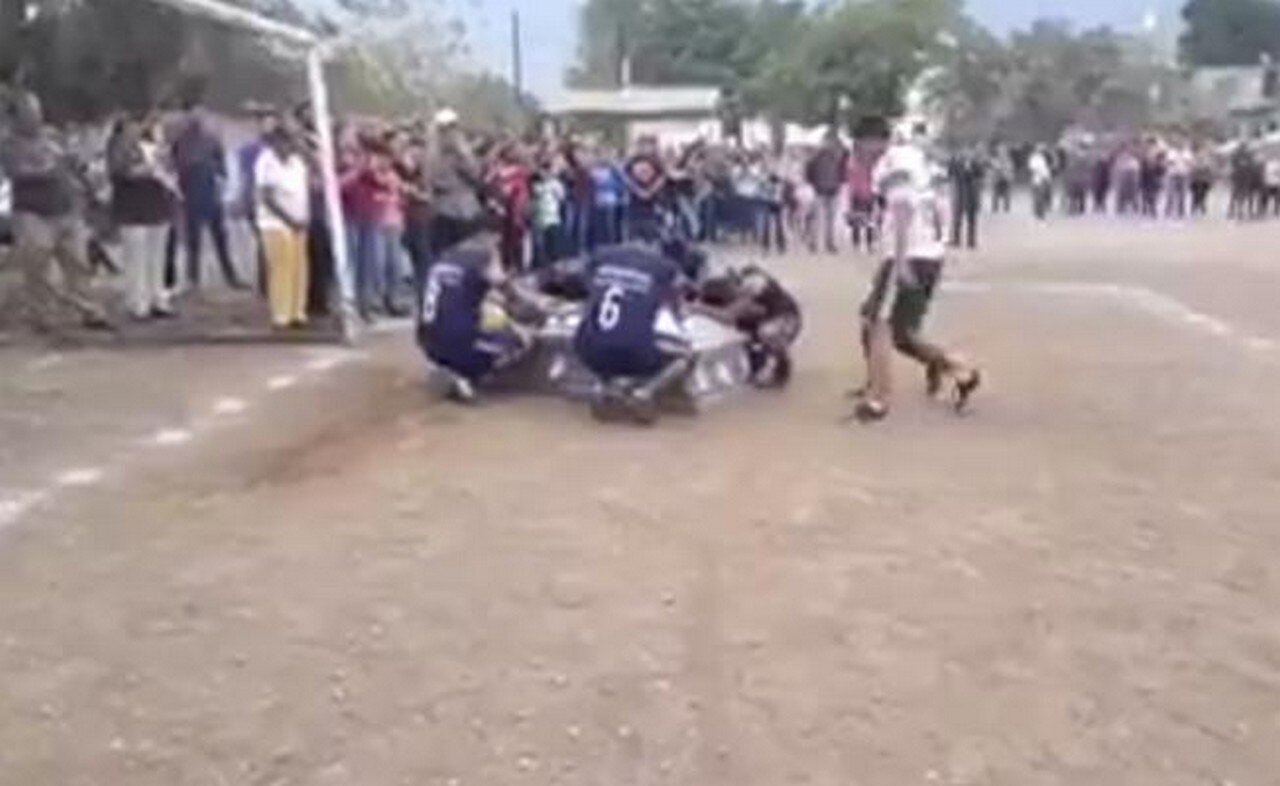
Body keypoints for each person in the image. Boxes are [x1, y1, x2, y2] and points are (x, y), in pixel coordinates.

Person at [851, 130, 981, 424]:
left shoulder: (893, 162)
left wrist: (899, 261)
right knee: (901, 334)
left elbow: (902, 209)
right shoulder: (920, 165)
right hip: (928, 255)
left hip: (910, 253)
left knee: (877, 324)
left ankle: (878, 398)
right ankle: (960, 371)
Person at [0, 91, 111, 332]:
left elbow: (73, 165)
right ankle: (43, 315)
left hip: (65, 208)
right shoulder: (9, 143)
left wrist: (87, 186)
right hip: (32, 212)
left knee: (78, 263)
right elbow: (18, 172)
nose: (36, 117)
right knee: (37, 265)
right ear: (16, 117)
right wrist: (48, 168)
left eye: (37, 111)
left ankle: (88, 310)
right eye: (29, 112)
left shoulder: (52, 137)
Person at [416, 215, 541, 403]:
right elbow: (510, 294)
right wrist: (535, 309)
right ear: (492, 237)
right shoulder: (484, 255)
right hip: (457, 341)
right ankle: (466, 375)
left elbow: (463, 292)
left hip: (426, 340)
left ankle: (445, 366)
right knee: (520, 340)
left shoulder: (444, 256)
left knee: (486, 316)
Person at [574, 235, 695, 425]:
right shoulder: (665, 267)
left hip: (590, 352)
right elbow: (678, 307)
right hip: (637, 354)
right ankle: (645, 392)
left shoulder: (601, 254)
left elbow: (584, 283)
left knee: (593, 333)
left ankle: (604, 387)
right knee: (686, 355)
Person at [107, 111, 177, 321]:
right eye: (136, 122)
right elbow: (119, 172)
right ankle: (137, 302)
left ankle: (158, 298)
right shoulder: (118, 145)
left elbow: (170, 168)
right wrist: (145, 170)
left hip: (156, 205)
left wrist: (165, 167)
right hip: (132, 208)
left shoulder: (156, 144)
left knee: (157, 256)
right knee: (136, 257)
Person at [170, 101, 245, 290]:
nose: (196, 117)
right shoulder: (180, 141)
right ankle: (192, 278)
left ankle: (231, 276)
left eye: (200, 113)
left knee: (221, 237)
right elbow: (175, 166)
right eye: (192, 114)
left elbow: (221, 166)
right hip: (191, 194)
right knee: (193, 239)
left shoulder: (211, 139)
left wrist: (221, 182)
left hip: (211, 192)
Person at [695, 265, 801, 388]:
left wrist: (697, 308)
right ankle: (760, 365)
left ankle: (778, 369)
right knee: (746, 330)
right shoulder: (750, 282)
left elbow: (727, 317)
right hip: (784, 319)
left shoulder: (749, 291)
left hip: (786, 324)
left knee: (764, 332)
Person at [254, 120, 311, 330]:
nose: (292, 145)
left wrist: (301, 218)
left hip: (299, 220)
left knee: (299, 267)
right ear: (278, 141)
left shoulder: (297, 162)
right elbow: (266, 197)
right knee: (281, 268)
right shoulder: (266, 162)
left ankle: (297, 311)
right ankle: (281, 313)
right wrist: (289, 219)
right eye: (288, 140)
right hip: (276, 223)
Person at [428, 109, 483, 255]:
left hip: (441, 209)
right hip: (462, 210)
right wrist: (466, 152)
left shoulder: (431, 151)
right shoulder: (458, 151)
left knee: (444, 254)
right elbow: (474, 173)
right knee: (466, 255)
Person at [806, 130, 847, 254]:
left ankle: (829, 243)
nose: (828, 144)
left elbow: (842, 169)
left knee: (830, 219)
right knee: (818, 218)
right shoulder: (816, 156)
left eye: (830, 141)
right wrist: (813, 184)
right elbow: (808, 171)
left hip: (833, 189)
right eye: (826, 141)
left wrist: (840, 183)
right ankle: (814, 242)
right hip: (819, 190)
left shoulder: (837, 156)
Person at [624, 136, 668, 240]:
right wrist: (638, 191)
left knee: (652, 233)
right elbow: (626, 179)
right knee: (634, 234)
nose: (643, 148)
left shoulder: (657, 162)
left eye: (646, 145)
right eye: (641, 145)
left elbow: (663, 177)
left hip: (651, 204)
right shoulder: (631, 162)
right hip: (634, 204)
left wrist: (650, 191)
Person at [530, 154, 566, 269]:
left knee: (553, 243)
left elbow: (561, 197)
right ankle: (539, 264)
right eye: (542, 170)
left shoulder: (555, 184)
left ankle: (554, 263)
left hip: (552, 218)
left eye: (547, 170)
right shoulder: (535, 184)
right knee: (539, 244)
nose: (544, 173)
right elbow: (531, 198)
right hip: (538, 218)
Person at [947, 147, 983, 248]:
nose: (966, 153)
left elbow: (980, 175)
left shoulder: (975, 163)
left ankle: (971, 241)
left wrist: (970, 169)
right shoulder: (955, 162)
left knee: (971, 218)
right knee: (957, 217)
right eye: (964, 151)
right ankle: (956, 240)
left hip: (971, 193)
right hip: (960, 193)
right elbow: (950, 174)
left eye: (968, 151)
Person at [1028, 145, 1053, 220]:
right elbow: (1033, 169)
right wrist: (1043, 176)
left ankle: (1038, 214)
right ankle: (1039, 215)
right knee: (1039, 198)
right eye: (1041, 150)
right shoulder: (1034, 158)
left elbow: (1045, 169)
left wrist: (1047, 177)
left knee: (1040, 198)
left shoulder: (1042, 158)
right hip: (1038, 181)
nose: (1042, 151)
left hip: (1043, 180)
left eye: (1043, 150)